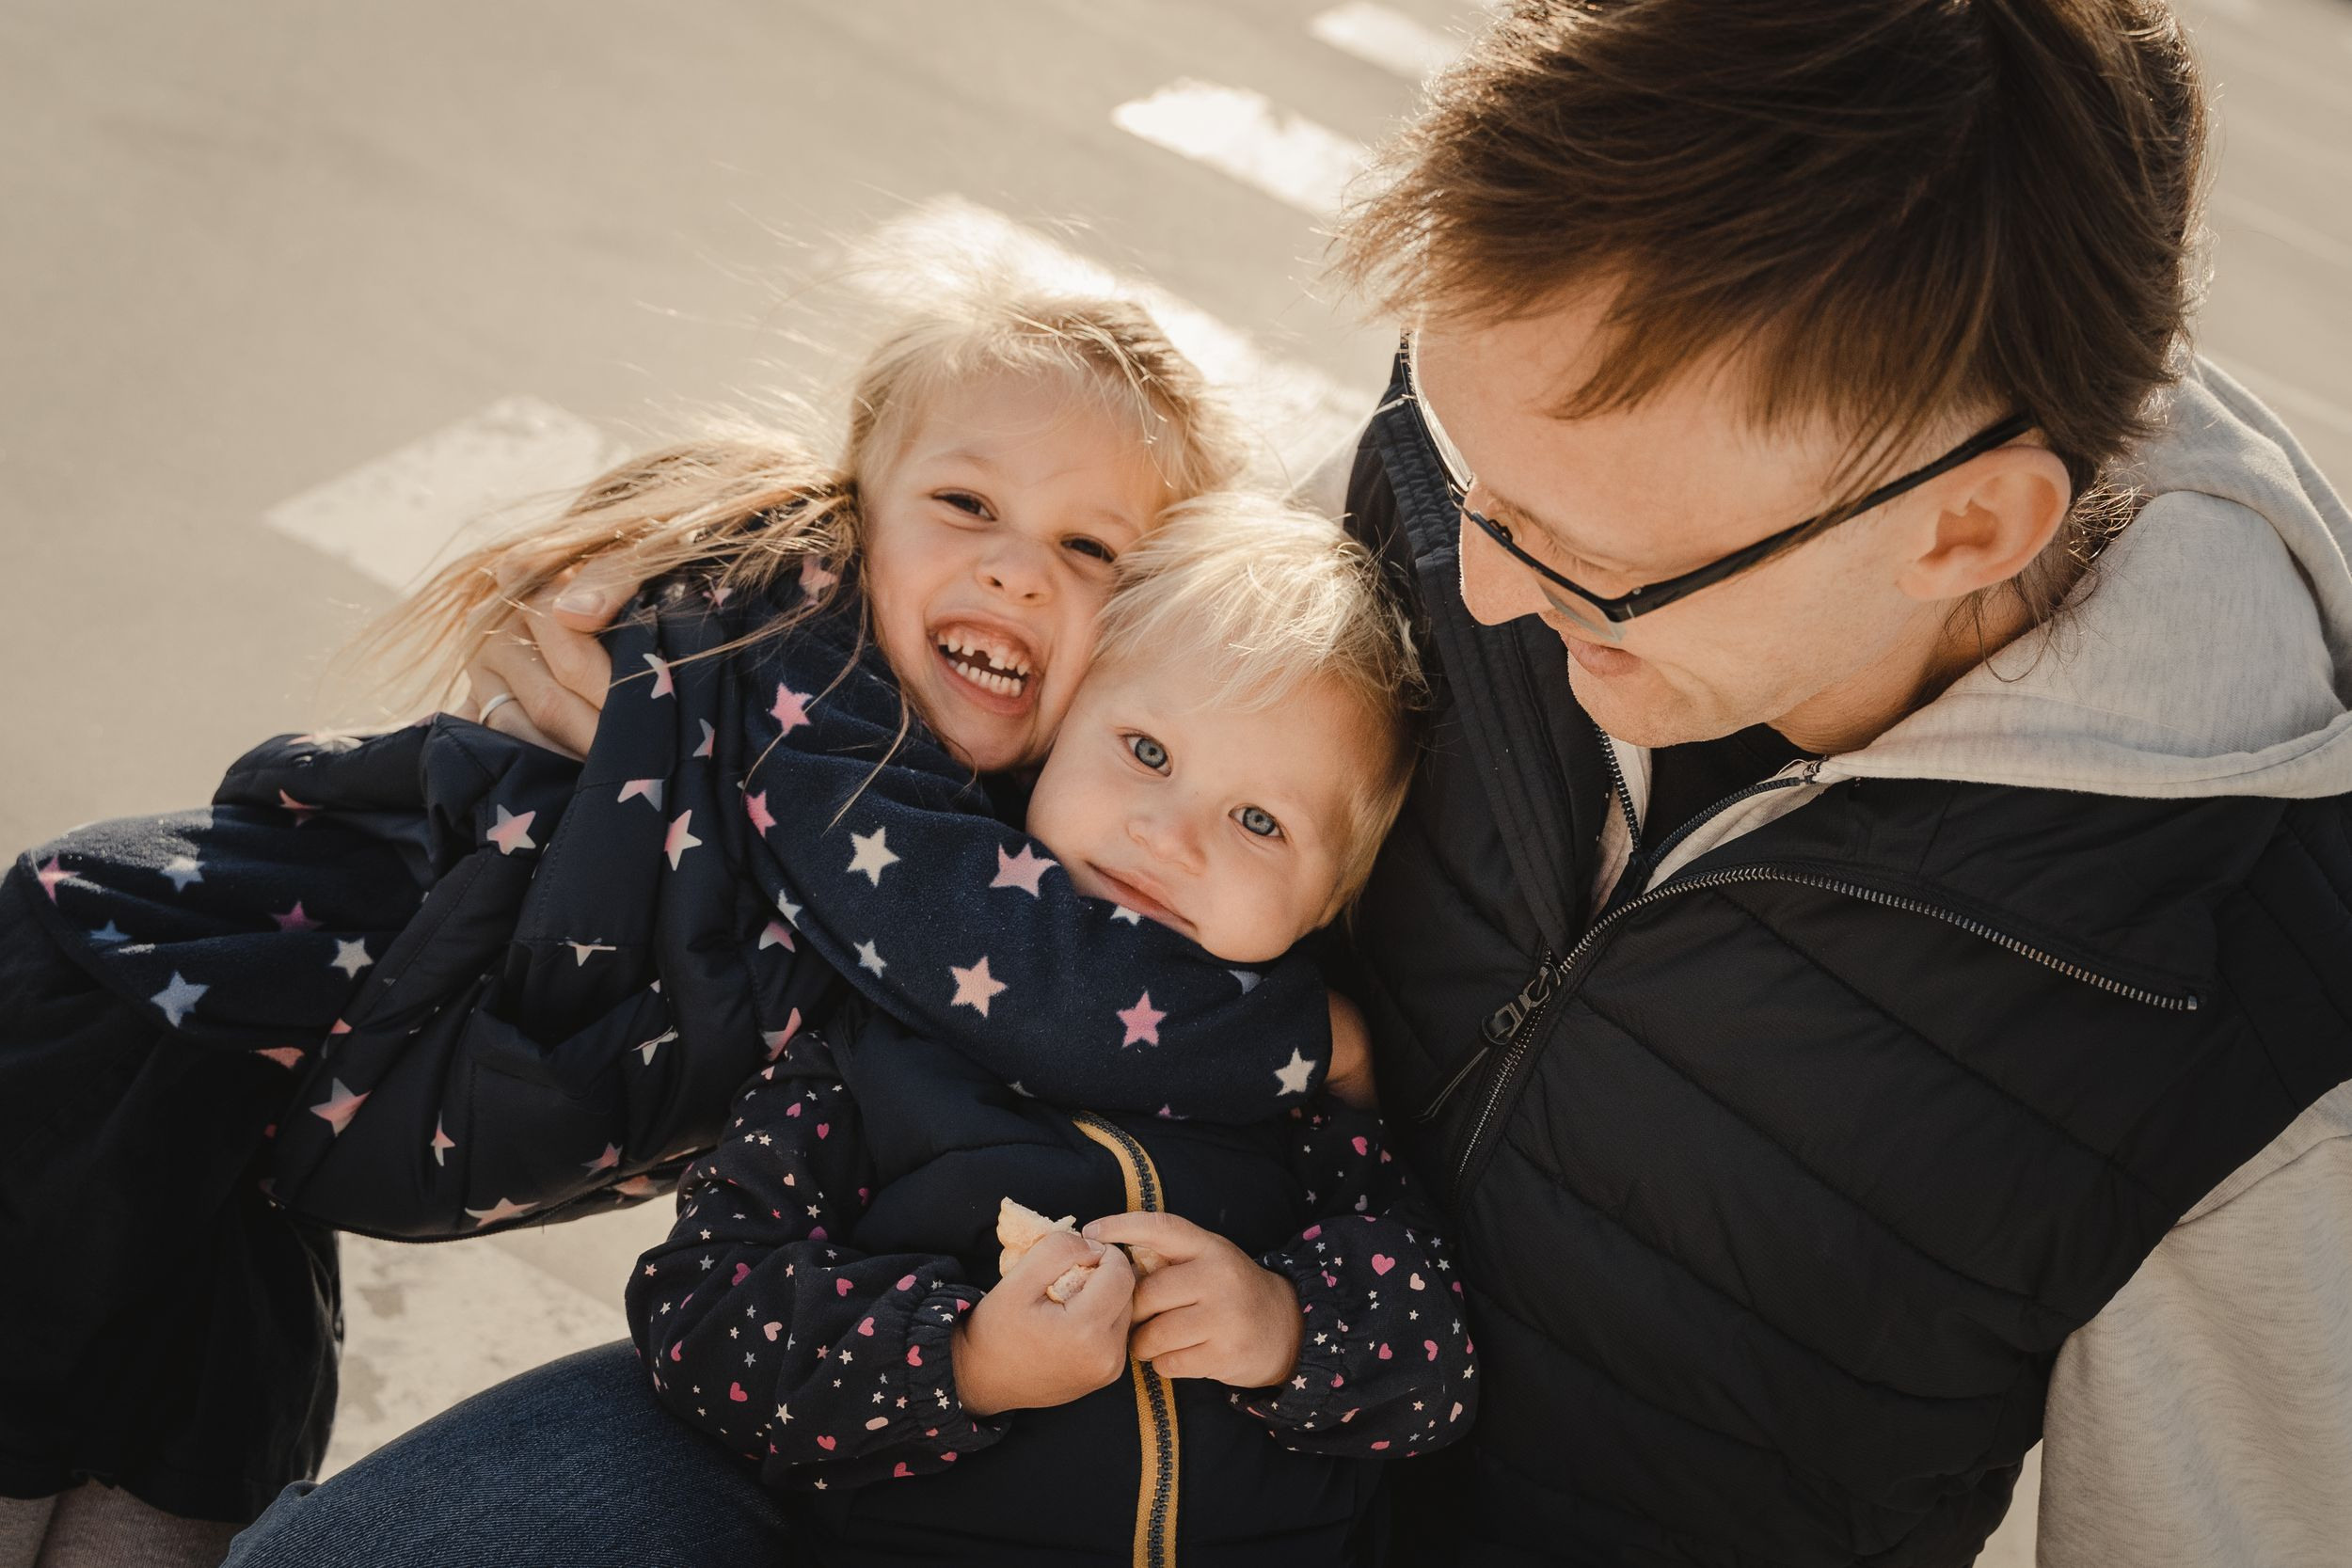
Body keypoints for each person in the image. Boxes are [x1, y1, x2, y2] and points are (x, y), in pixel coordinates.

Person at [436, 3, 2352, 1564]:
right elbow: (1188, 665)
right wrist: (740, 641)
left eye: (1577, 558)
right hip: (891, 1396)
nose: (1481, 588)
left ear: (1967, 526)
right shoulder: (1544, 461)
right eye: (1457, 467)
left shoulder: (2251, 1004)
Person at [1, 289, 1356, 1567]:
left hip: (260, 1119)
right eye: (964, 503)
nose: (1013, 570)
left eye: (1088, 548)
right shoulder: (814, 684)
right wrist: (1314, 1038)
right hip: (136, 1007)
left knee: (189, 1466)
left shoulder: (983, 807)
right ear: (862, 510)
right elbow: (1020, 974)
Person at [612, 499, 1469, 1566]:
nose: (1169, 832)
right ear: (1055, 737)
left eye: (1260, 821)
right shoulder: (878, 1039)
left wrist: (1290, 1326)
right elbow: (698, 1313)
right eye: (1146, 748)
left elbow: (1439, 1365)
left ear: (1331, 899)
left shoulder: (1301, 1097)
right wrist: (962, 1358)